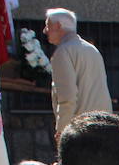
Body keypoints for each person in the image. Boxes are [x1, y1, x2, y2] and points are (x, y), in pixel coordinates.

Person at [43, 8, 113, 141]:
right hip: (104, 126)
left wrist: (62, 131)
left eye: (47, 25)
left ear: (58, 26)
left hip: (80, 131)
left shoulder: (63, 52)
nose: (45, 30)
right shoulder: (92, 49)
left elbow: (67, 98)